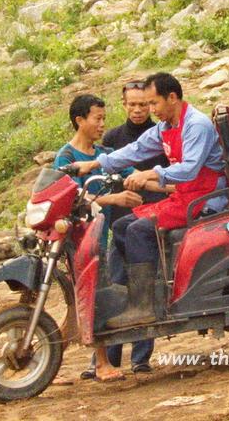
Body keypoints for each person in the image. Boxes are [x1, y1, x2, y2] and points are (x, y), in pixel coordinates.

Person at [73, 73, 227, 329]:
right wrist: (95, 164)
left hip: (204, 198)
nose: (150, 110)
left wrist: (149, 174)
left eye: (154, 103)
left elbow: (189, 169)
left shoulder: (196, 125)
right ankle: (139, 292)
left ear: (172, 97)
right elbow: (136, 149)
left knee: (138, 230)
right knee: (121, 227)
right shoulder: (165, 127)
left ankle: (144, 306)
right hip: (184, 196)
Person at [80, 80, 173, 380]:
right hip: (121, 221)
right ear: (124, 105)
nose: (138, 109)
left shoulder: (161, 134)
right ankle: (108, 359)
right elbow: (111, 171)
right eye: (132, 104)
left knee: (145, 285)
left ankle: (141, 359)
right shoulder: (113, 139)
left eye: (144, 104)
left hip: (153, 221)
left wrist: (157, 184)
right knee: (118, 285)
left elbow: (167, 176)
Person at [53, 94, 143, 383]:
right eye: (97, 119)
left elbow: (134, 174)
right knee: (94, 298)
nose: (103, 124)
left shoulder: (104, 154)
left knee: (85, 303)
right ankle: (102, 363)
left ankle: (49, 362)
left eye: (104, 118)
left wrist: (166, 182)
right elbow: (72, 199)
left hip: (99, 237)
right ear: (80, 120)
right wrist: (114, 198)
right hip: (79, 239)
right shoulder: (67, 158)